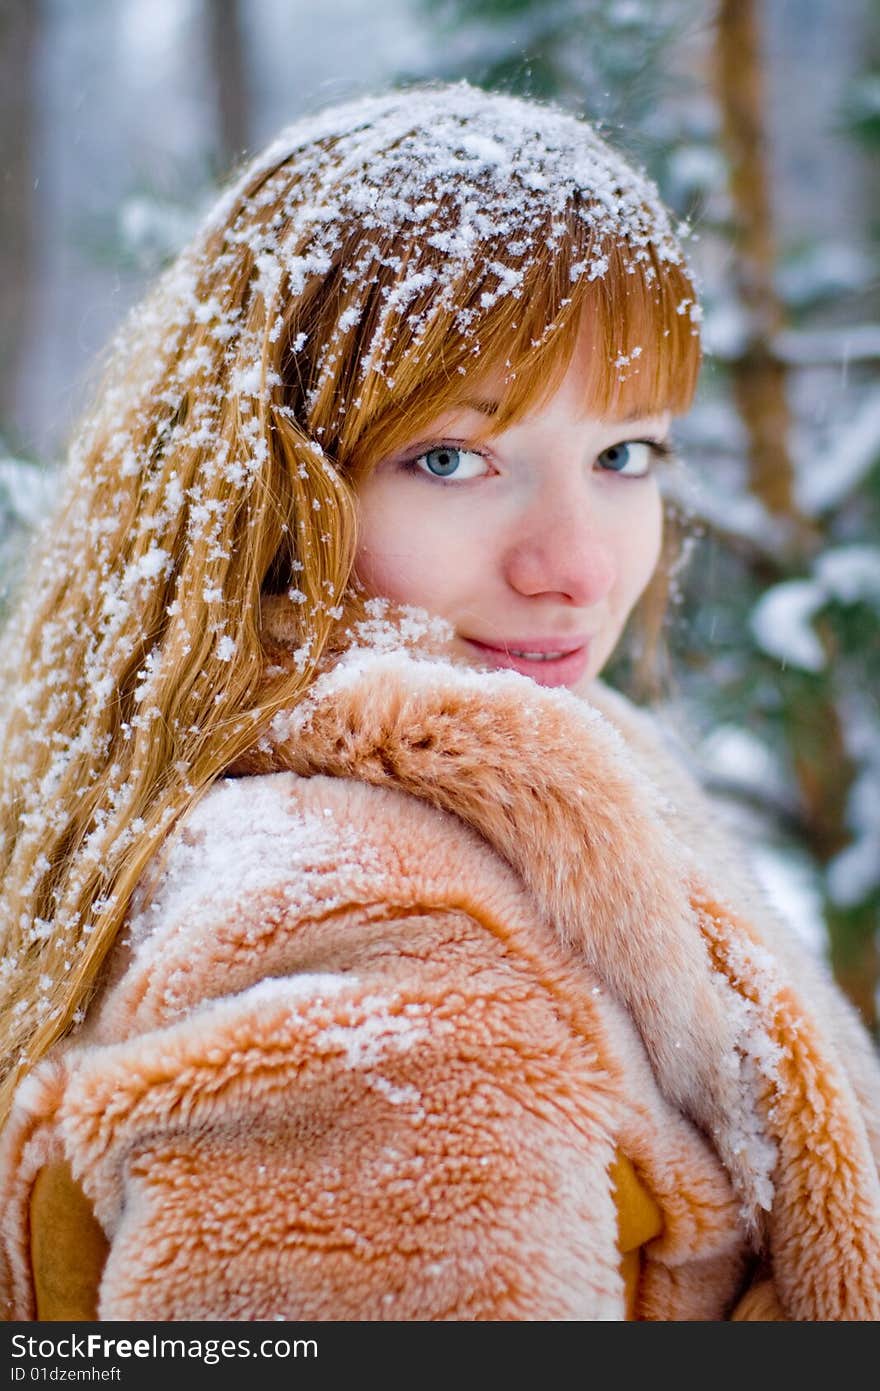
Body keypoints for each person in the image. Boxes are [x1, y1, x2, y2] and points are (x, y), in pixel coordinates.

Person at [1, 82, 878, 1324]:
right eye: (454, 458)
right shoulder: (394, 964)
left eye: (624, 454)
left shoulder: (286, 798)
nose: (576, 564)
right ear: (262, 480)